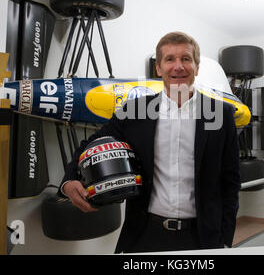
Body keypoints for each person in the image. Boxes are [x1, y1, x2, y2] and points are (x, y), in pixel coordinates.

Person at [59, 31, 240, 253]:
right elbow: (92, 143)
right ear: (159, 68)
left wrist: (224, 241)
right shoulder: (134, 111)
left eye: (186, 59)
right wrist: (68, 181)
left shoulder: (221, 114)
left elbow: (231, 183)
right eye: (170, 59)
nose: (178, 67)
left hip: (202, 238)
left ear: (197, 66)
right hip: (145, 236)